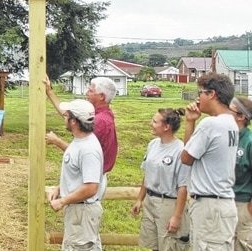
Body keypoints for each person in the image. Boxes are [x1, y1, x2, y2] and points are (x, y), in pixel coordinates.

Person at [181, 72, 238, 250]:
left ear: (212, 94)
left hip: (209, 206)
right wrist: (191, 120)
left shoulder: (211, 124)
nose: (198, 98)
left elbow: (186, 157)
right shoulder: (231, 123)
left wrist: (190, 123)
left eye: (201, 93)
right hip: (222, 203)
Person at [47, 99, 104, 250]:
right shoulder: (80, 141)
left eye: (66, 115)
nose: (64, 117)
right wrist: (60, 188)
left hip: (82, 212)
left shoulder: (88, 149)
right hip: (79, 211)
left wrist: (62, 201)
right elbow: (77, 172)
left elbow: (91, 188)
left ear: (73, 121)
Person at [131, 108, 190, 250]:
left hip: (168, 204)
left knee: (168, 245)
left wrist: (177, 216)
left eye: (155, 121)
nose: (151, 123)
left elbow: (183, 187)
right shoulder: (152, 144)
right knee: (153, 245)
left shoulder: (180, 150)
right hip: (150, 202)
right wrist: (140, 199)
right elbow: (147, 174)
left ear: (166, 127)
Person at [46, 76, 118, 175]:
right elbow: (68, 115)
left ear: (101, 96)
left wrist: (56, 141)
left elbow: (79, 152)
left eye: (90, 90)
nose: (86, 93)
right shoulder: (100, 115)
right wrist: (49, 92)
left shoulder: (99, 121)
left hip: (91, 176)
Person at [230, 96, 252, 250]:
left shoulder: (249, 142)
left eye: (229, 110)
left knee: (242, 245)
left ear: (241, 116)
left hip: (243, 204)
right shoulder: (226, 137)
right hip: (224, 202)